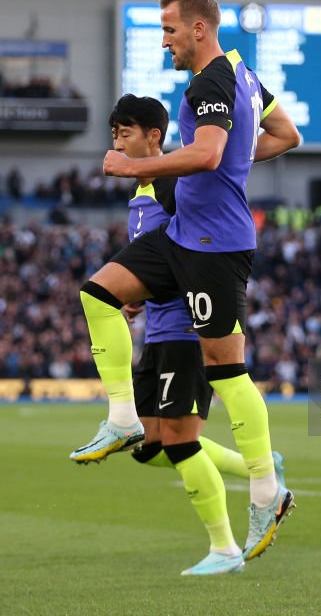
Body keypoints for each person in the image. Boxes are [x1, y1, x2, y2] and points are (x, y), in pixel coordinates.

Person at [70, 0, 301, 567]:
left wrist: (136, 165)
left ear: (199, 28)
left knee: (227, 370)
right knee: (100, 292)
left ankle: (266, 490)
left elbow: (206, 155)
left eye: (169, 30)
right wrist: (235, 161)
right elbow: (286, 136)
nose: (165, 41)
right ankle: (123, 418)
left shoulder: (211, 82)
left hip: (214, 246)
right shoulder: (244, 75)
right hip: (182, 237)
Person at [100, 94, 286, 576]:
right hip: (156, 334)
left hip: (185, 329)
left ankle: (225, 546)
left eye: (124, 133)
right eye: (114, 134)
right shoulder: (141, 194)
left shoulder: (172, 184)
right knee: (149, 447)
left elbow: (195, 254)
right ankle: (257, 464)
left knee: (181, 443)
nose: (115, 143)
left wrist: (153, 283)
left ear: (153, 137)